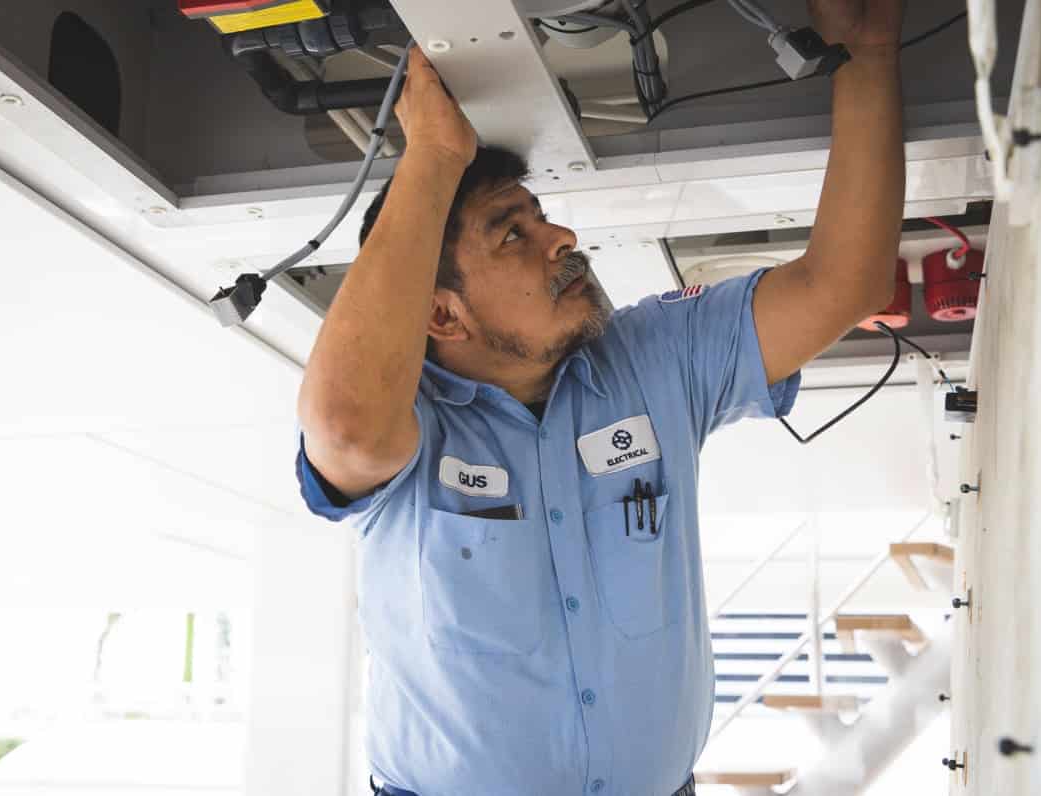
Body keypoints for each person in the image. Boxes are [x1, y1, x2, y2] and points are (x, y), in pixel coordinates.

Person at [296, 1, 904, 793]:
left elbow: (841, 284)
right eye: (514, 233)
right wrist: (434, 158)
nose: (564, 241)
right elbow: (342, 430)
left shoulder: (655, 359)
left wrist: (869, 55)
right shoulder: (407, 425)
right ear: (442, 312)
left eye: (542, 218)